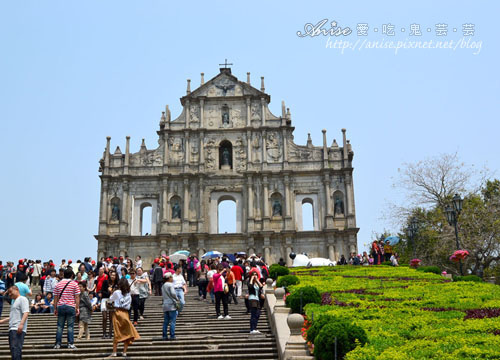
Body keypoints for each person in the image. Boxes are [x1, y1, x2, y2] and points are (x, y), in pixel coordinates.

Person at [107, 278, 140, 358]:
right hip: (125, 313)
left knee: (117, 332)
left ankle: (114, 352)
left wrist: (112, 294)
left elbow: (110, 301)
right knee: (127, 333)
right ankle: (124, 352)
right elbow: (128, 306)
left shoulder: (116, 292)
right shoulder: (129, 294)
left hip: (117, 313)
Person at [53, 268, 80, 349]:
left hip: (60, 306)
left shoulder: (58, 284)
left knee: (60, 326)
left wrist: (55, 308)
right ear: (72, 275)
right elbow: (77, 297)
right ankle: (70, 343)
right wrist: (77, 308)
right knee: (70, 326)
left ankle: (58, 344)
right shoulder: (74, 284)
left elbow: (55, 298)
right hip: (71, 306)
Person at [0, 285, 29, 360]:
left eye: (10, 292)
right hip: (12, 328)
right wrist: (2, 321)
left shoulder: (22, 299)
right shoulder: (15, 302)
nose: (9, 294)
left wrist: (21, 324)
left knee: (16, 349)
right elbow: (13, 316)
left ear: (16, 289)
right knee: (13, 350)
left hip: (17, 328)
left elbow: (26, 312)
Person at [162, 272, 179, 340]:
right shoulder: (170, 285)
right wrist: (177, 298)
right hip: (171, 304)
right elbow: (173, 293)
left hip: (165, 304)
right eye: (171, 277)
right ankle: (172, 335)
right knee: (172, 321)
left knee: (166, 321)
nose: (172, 278)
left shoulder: (163, 285)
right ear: (169, 278)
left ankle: (164, 335)